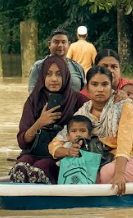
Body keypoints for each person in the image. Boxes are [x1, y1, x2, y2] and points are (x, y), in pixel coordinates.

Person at [50, 66, 133, 195]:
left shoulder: (124, 105)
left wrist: (119, 174)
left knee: (105, 173)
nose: (100, 89)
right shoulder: (83, 113)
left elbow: (125, 141)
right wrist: (67, 151)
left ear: (112, 86)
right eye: (94, 84)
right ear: (87, 88)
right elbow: (56, 142)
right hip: (105, 160)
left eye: (105, 84)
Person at [12, 56, 88, 184]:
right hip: (33, 152)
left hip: (62, 155)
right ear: (42, 77)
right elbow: (22, 142)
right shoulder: (33, 101)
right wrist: (39, 123)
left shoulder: (77, 100)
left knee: (42, 166)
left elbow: (98, 113)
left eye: (59, 74)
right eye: (49, 74)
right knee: (21, 165)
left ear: (65, 76)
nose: (54, 79)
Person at [84, 49, 133, 134]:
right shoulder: (88, 92)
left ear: (120, 69)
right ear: (95, 69)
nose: (110, 70)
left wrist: (129, 111)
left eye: (114, 67)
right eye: (104, 67)